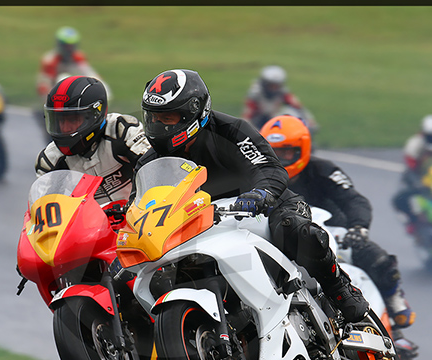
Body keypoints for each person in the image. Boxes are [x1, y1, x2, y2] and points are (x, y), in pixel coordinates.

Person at [133, 69, 368, 324]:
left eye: (168, 117)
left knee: (297, 232)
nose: (159, 126)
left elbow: (270, 168)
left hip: (264, 209)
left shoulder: (231, 131)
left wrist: (260, 194)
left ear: (193, 111)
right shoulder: (150, 161)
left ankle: (340, 288)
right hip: (201, 226)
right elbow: (142, 203)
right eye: (154, 118)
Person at [260, 114, 416, 333]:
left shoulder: (324, 170)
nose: (281, 158)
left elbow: (354, 199)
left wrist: (358, 227)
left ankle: (393, 300)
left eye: (286, 152)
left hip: (332, 232)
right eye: (274, 152)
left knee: (378, 259)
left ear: (302, 149)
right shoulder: (258, 175)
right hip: (281, 235)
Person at [34, 76, 151, 210]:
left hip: (140, 218)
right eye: (60, 120)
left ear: (95, 114)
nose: (65, 128)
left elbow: (153, 169)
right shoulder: (49, 161)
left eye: (72, 120)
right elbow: (44, 214)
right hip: (90, 229)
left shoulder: (122, 130)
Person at [36, 27, 110, 104]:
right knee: (63, 78)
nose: (69, 49)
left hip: (73, 89)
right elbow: (43, 85)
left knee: (101, 85)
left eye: (71, 46)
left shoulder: (78, 57)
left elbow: (89, 73)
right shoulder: (50, 60)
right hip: (54, 94)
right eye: (66, 46)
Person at [242, 65, 316, 132]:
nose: (274, 88)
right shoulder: (255, 94)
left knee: (289, 113)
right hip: (258, 123)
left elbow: (298, 107)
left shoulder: (282, 91)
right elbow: (247, 116)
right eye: (271, 85)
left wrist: (309, 121)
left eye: (277, 85)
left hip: (274, 120)